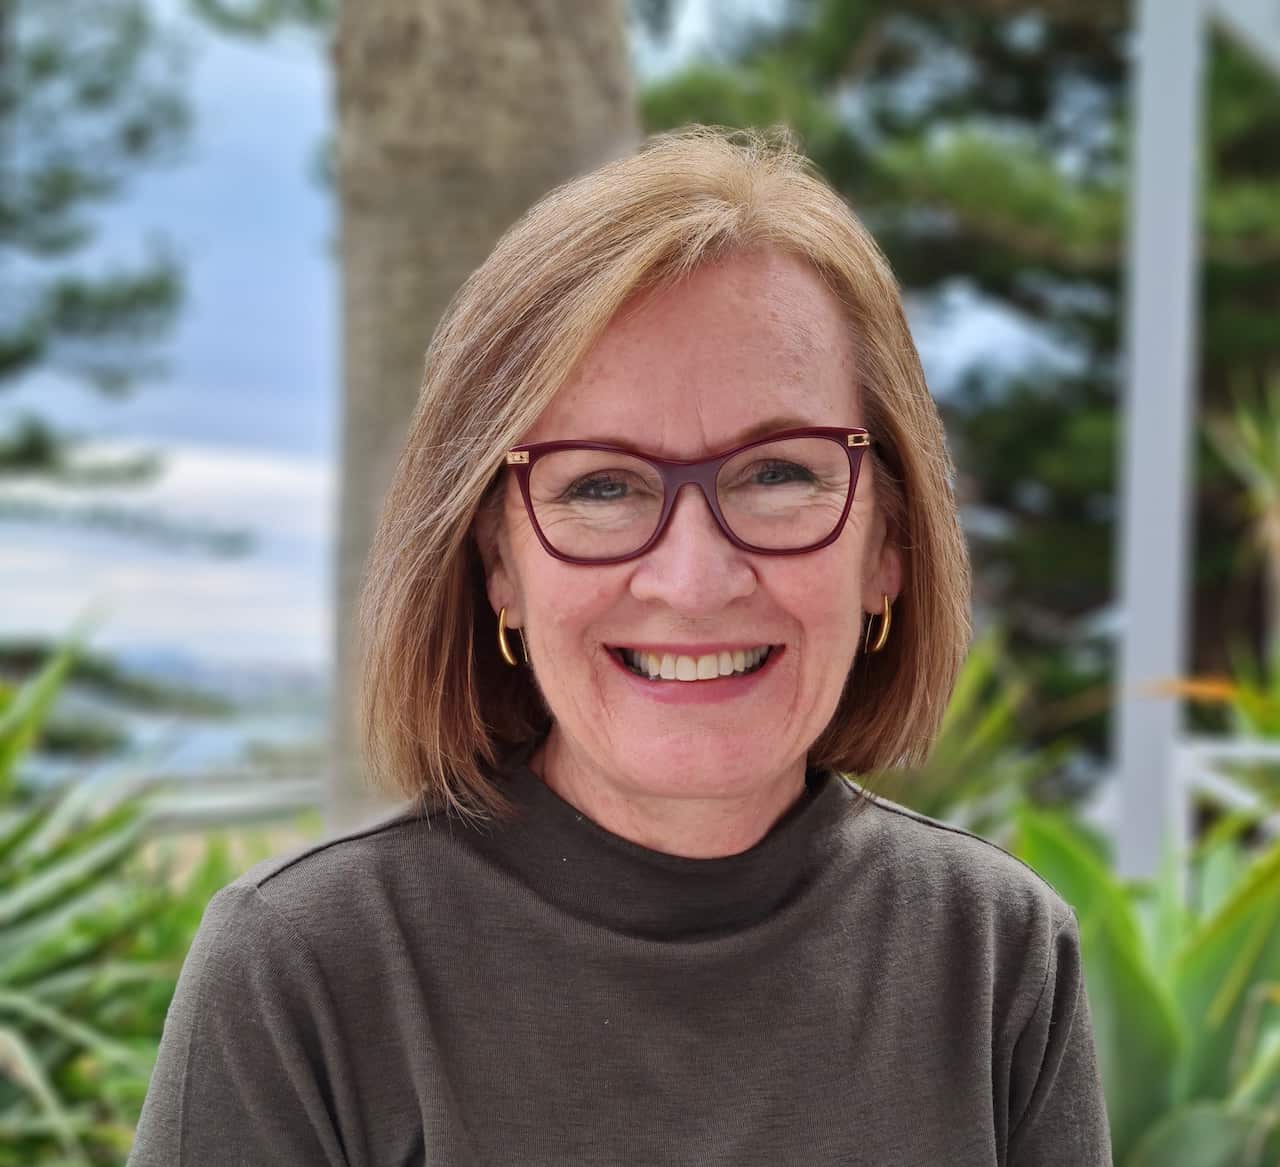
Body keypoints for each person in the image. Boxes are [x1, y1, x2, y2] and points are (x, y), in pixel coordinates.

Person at [129, 127, 1112, 1166]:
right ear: (496, 565)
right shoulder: (306, 968)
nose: (692, 581)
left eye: (778, 473)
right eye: (600, 485)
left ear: (888, 548)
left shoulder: (993, 954)